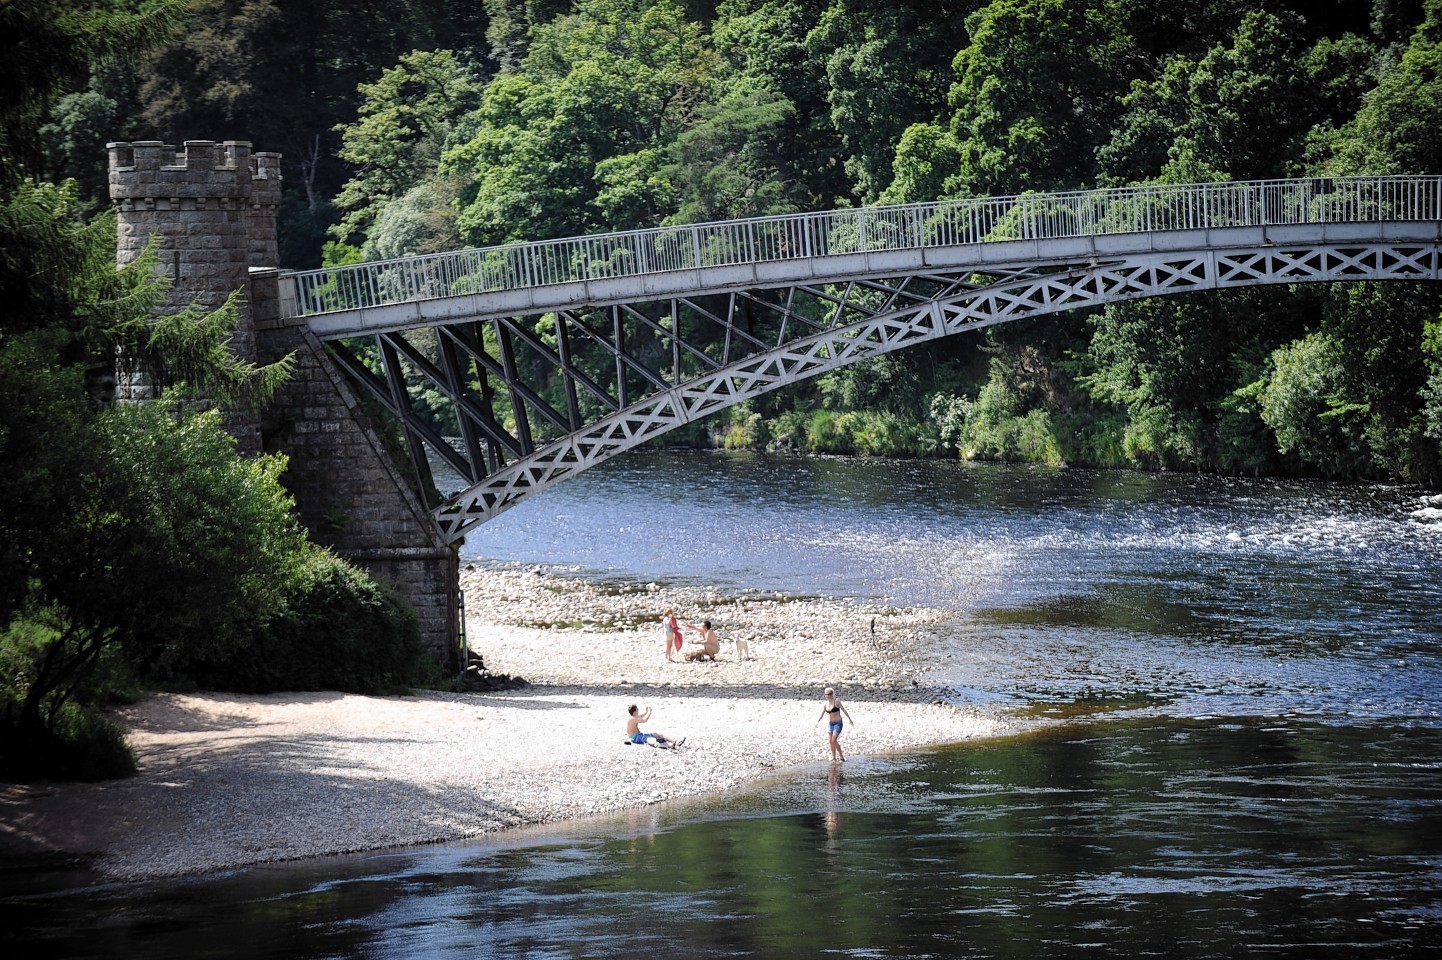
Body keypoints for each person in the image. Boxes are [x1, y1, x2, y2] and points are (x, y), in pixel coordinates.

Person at [814, 686, 854, 762]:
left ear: (832, 694)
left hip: (838, 723)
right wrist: (818, 722)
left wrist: (850, 719)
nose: (829, 696)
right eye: (827, 694)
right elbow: (822, 714)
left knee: (834, 740)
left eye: (830, 694)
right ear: (825, 695)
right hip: (831, 724)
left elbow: (843, 710)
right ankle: (834, 757)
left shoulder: (837, 701)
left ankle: (841, 756)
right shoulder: (826, 704)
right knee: (830, 741)